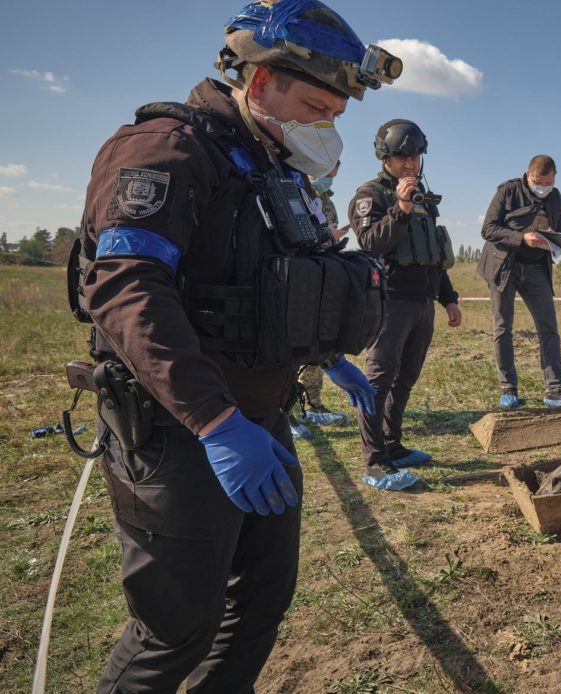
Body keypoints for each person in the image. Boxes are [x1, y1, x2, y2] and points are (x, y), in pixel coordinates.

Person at [71, 1, 397, 689]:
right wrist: (217, 423)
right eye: (315, 106)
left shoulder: (267, 167)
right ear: (258, 82)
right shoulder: (166, 150)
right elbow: (128, 289)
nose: (325, 127)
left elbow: (262, 284)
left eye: (336, 115)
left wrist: (318, 351)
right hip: (179, 429)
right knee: (175, 631)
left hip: (261, 418)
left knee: (258, 605)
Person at [349, 118, 461, 479]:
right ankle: (374, 460)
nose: (410, 164)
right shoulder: (371, 196)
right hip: (388, 302)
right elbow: (371, 243)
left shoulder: (423, 199)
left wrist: (449, 299)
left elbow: (433, 255)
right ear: (385, 158)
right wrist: (400, 208)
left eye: (415, 156)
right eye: (402, 157)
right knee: (378, 381)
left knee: (406, 377)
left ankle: (392, 443)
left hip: (422, 302)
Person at [477, 155, 561, 408]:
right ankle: (508, 388)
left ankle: (554, 389)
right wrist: (522, 237)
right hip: (505, 265)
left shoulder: (554, 197)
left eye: (548, 182)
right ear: (527, 175)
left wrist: (560, 240)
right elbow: (488, 228)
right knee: (503, 327)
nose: (543, 186)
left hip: (536, 268)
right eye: (538, 181)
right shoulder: (508, 191)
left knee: (548, 326)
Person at [295, 159, 350, 432]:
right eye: (325, 169)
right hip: (295, 280)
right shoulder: (294, 189)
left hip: (319, 278)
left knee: (315, 348)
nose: (329, 175)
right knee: (291, 348)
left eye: (333, 170)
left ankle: (312, 405)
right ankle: (290, 413)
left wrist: (334, 236)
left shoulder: (326, 200)